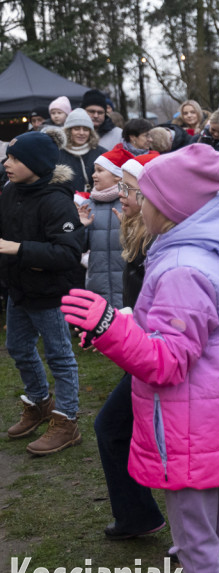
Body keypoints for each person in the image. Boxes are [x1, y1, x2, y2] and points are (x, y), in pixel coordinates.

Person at [60, 143, 219, 573]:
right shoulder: (200, 256)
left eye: (145, 199)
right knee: (217, 527)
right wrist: (127, 322)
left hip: (187, 427)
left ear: (170, 210)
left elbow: (166, 361)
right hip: (214, 422)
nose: (137, 207)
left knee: (193, 539)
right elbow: (185, 331)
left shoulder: (179, 269)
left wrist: (111, 328)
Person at [93, 155, 166, 541]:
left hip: (156, 354)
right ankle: (137, 514)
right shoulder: (138, 230)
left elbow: (161, 308)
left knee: (112, 427)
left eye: (127, 190)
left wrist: (122, 326)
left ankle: (140, 515)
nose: (119, 195)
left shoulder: (158, 239)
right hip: (141, 348)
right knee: (120, 429)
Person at [2, 131, 86, 455]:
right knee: (18, 348)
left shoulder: (56, 201)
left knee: (60, 357)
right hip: (18, 289)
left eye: (15, 159)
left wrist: (20, 249)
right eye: (8, 157)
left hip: (50, 295)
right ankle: (38, 403)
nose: (7, 164)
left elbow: (68, 254)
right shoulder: (11, 191)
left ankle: (67, 420)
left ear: (35, 164)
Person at [79, 147, 133, 309]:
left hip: (126, 283)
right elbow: (80, 247)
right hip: (97, 283)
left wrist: (129, 227)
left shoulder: (130, 202)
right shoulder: (87, 205)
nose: (94, 175)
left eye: (100, 171)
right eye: (94, 171)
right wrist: (80, 229)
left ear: (117, 176)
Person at [58, 107, 107, 192]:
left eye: (86, 129)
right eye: (76, 129)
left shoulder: (101, 153)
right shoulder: (58, 153)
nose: (81, 133)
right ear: (69, 131)